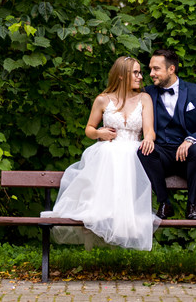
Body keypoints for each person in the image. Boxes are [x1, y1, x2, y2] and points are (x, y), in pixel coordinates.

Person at [40, 56, 159, 250]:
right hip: (107, 152)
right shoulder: (103, 99)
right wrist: (99, 133)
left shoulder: (144, 99)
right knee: (109, 161)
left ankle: (124, 226)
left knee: (131, 161)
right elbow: (89, 129)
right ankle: (98, 222)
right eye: (136, 73)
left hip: (133, 151)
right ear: (121, 75)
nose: (140, 77)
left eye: (140, 72)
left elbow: (149, 130)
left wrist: (148, 139)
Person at [137, 49, 196, 220]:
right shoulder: (147, 93)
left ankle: (192, 205)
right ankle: (164, 203)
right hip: (162, 156)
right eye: (150, 69)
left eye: (156, 69)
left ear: (171, 69)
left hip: (189, 158)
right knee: (144, 151)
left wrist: (190, 140)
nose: (151, 74)